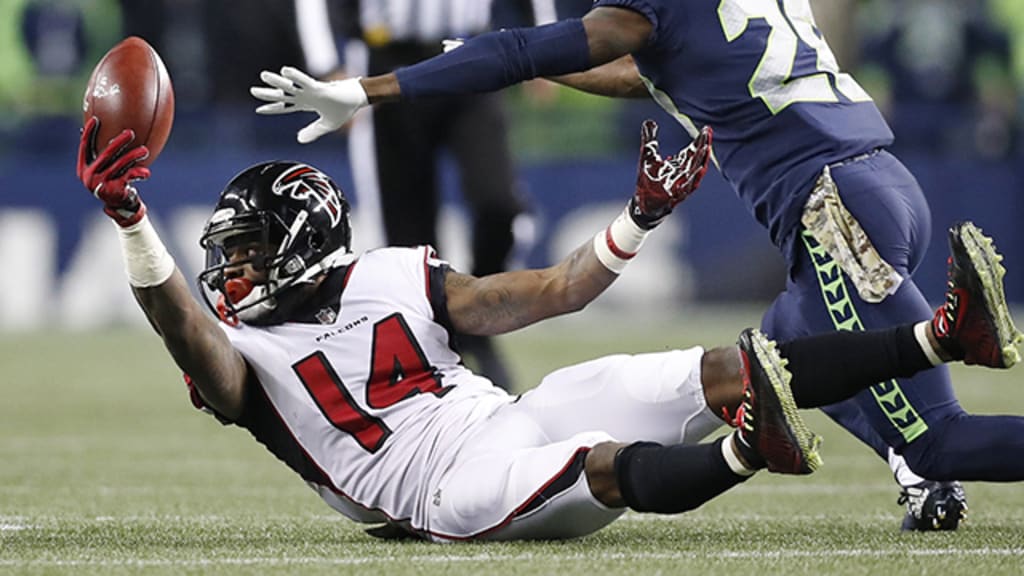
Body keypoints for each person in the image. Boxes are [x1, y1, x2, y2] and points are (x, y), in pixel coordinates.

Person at [249, 0, 1024, 530]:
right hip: (882, 186)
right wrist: (518, 65)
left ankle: (927, 449)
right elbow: (647, 69)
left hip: (834, 214)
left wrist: (369, 89)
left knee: (935, 433)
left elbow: (523, 49)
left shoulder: (649, 8)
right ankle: (920, 469)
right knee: (782, 361)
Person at [77, 114, 1020, 541]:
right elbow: (184, 333)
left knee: (731, 368)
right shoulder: (239, 354)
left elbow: (548, 292)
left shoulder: (393, 276)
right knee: (600, 461)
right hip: (447, 489)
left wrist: (638, 218)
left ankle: (944, 337)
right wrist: (132, 224)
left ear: (301, 244)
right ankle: (746, 456)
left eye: (243, 252)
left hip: (509, 414)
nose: (225, 274)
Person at [284, 0, 561, 391]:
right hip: (388, 61)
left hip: (471, 55)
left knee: (499, 204)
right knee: (407, 234)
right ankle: (433, 351)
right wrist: (328, 65)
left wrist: (544, 46)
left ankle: (477, 316)